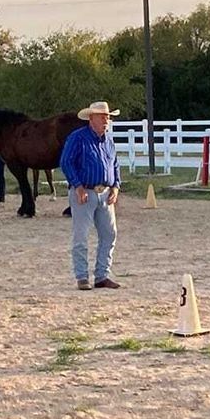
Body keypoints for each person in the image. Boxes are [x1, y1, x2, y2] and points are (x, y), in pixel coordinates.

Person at [60, 100, 122, 290]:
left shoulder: (108, 141)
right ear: (91, 119)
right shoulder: (77, 138)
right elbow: (66, 162)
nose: (106, 120)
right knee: (81, 235)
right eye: (102, 117)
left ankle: (102, 275)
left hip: (105, 192)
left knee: (109, 234)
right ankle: (82, 276)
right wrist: (78, 186)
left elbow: (115, 165)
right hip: (84, 191)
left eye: (108, 117)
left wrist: (116, 186)